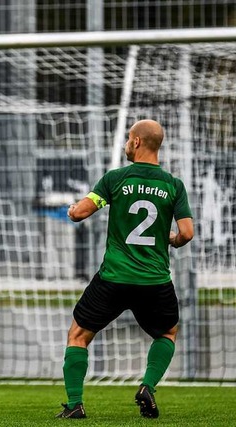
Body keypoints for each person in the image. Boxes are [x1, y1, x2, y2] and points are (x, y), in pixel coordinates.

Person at [56, 119, 194, 419]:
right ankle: (147, 386)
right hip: (154, 281)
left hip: (114, 278)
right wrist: (171, 239)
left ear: (136, 143)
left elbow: (80, 213)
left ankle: (75, 404)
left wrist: (71, 210)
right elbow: (187, 233)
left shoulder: (116, 178)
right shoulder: (174, 185)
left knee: (78, 335)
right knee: (167, 333)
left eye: (128, 139)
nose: (126, 144)